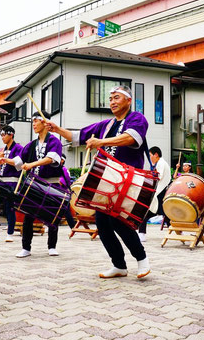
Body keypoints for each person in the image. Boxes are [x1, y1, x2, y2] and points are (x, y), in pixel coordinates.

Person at [47, 85, 151, 279]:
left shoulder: (137, 118)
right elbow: (77, 137)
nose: (112, 101)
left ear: (128, 100)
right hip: (107, 181)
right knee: (102, 222)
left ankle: (142, 259)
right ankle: (119, 265)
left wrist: (101, 143)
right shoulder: (106, 125)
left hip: (128, 180)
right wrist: (57, 129)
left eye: (117, 97)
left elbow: (131, 138)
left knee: (119, 221)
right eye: (110, 98)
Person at [0, 110, 64, 258]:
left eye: (36, 121)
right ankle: (26, 247)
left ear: (45, 122)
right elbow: (19, 161)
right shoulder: (31, 144)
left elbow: (50, 159)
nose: (33, 124)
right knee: (28, 215)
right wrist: (5, 161)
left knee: (52, 216)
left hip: (51, 183)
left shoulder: (55, 141)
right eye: (33, 121)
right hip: (35, 184)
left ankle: (52, 246)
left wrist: (31, 164)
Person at [0, 125, 22, 243]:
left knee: (10, 208)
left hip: (12, 181)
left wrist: (5, 160)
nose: (2, 137)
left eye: (4, 135)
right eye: (1, 135)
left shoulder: (18, 148)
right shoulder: (1, 150)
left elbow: (19, 164)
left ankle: (10, 233)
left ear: (11, 134)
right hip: (0, 181)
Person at [138, 146, 171, 241]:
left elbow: (157, 177)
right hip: (161, 192)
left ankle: (142, 233)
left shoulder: (160, 163)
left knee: (145, 213)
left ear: (156, 155)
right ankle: (179, 232)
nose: (150, 157)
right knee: (167, 214)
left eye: (150, 155)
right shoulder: (161, 163)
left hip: (159, 193)